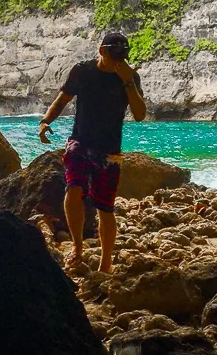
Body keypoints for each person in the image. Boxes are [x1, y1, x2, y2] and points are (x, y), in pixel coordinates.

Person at [38, 31, 146, 273]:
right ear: (101, 51)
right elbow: (62, 99)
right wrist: (45, 121)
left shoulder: (129, 76)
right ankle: (77, 247)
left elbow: (140, 115)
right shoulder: (83, 71)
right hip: (81, 141)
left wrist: (128, 81)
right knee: (74, 188)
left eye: (122, 56)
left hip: (110, 150)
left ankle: (105, 264)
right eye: (113, 55)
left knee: (105, 207)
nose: (117, 60)